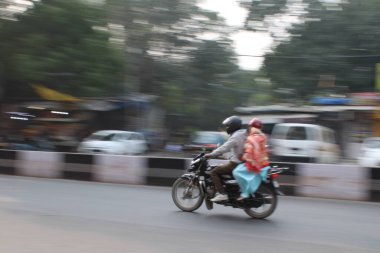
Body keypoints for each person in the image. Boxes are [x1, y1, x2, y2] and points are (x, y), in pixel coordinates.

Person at [205, 116, 247, 202]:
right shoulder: (244, 133)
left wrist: (211, 154)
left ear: (233, 126)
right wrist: (224, 155)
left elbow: (224, 147)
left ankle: (222, 194)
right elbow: (236, 151)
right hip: (245, 162)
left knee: (214, 172)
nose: (227, 128)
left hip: (236, 164)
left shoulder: (235, 136)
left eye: (228, 126)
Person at [233, 118, 270, 200]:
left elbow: (249, 153)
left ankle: (245, 192)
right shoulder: (263, 137)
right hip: (263, 164)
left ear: (251, 127)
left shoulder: (252, 138)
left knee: (236, 172)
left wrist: (243, 157)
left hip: (254, 164)